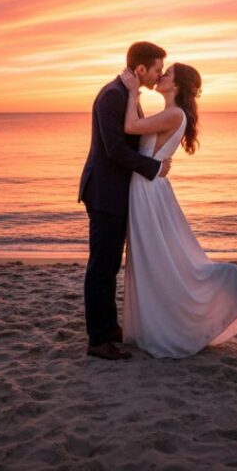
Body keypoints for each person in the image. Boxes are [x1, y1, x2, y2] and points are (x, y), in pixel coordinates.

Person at [120, 63, 237, 358]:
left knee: (160, 260)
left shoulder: (174, 114)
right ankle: (158, 321)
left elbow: (131, 127)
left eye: (167, 74)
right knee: (158, 259)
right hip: (149, 187)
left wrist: (133, 93)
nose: (161, 76)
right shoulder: (170, 114)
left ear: (178, 85)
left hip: (148, 190)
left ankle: (232, 285)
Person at [78, 41, 172, 360]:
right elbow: (115, 149)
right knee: (101, 266)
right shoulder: (112, 97)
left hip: (116, 192)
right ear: (141, 69)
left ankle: (109, 327)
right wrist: (154, 168)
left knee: (110, 264)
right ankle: (97, 339)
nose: (159, 74)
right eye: (157, 69)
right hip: (105, 193)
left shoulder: (126, 94)